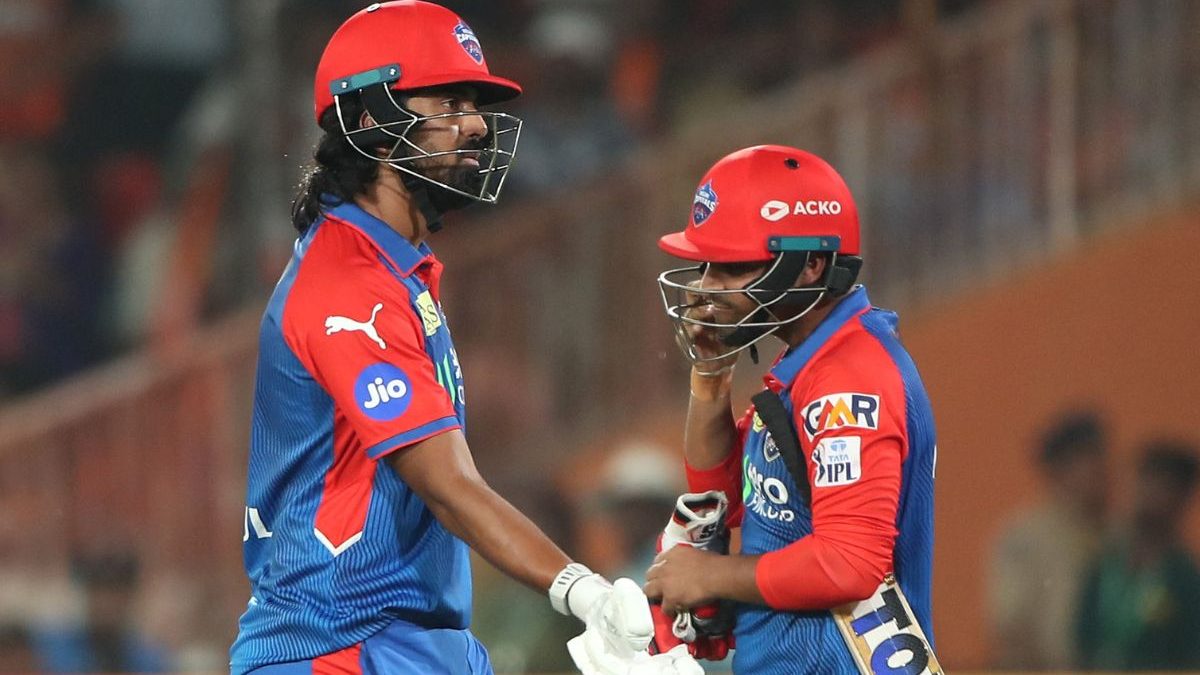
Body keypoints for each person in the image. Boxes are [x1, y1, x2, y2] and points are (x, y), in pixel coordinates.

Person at [228, 3, 699, 674]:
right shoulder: (347, 284)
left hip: (400, 638)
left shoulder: (393, 268)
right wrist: (584, 592)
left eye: (473, 105)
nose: (476, 124)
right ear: (372, 123)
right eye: (449, 103)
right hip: (335, 645)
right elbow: (447, 482)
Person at [643, 145, 938, 673]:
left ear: (811, 265)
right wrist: (711, 377)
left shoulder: (847, 379)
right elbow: (728, 499)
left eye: (731, 267)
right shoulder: (810, 362)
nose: (706, 288)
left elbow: (849, 564)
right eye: (705, 266)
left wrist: (709, 577)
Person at [987, 411, 1109, 669]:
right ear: (1060, 468)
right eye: (1088, 460)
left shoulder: (1111, 535)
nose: (1102, 471)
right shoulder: (1025, 536)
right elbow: (1010, 623)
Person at [1075, 441, 1200, 671]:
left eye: (1161, 485)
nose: (1145, 493)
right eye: (1143, 480)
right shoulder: (1103, 566)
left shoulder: (1186, 581)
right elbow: (1080, 640)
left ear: (1182, 498)